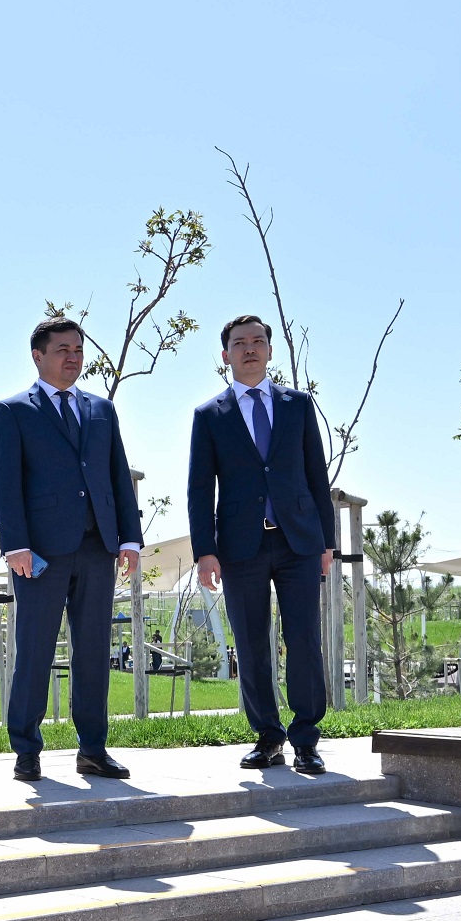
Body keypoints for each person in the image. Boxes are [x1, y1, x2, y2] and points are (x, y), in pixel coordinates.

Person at [0, 317, 142, 783]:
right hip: (39, 553)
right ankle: (26, 750)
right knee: (35, 651)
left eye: (78, 349)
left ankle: (93, 749)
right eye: (63, 350)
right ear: (38, 356)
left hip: (98, 547)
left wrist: (129, 538)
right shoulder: (13, 411)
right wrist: (15, 544)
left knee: (94, 652)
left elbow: (118, 475)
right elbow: (6, 484)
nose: (73, 357)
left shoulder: (101, 409)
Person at [188, 314, 337, 775]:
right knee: (251, 643)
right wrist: (205, 550)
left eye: (257, 341)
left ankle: (306, 739)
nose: (249, 348)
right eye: (239, 343)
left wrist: (327, 542)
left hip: (299, 543)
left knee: (304, 639)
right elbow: (199, 489)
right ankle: (268, 736)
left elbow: (316, 475)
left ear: (270, 351)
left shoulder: (298, 405)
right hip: (240, 547)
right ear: (226, 355)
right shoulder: (210, 415)